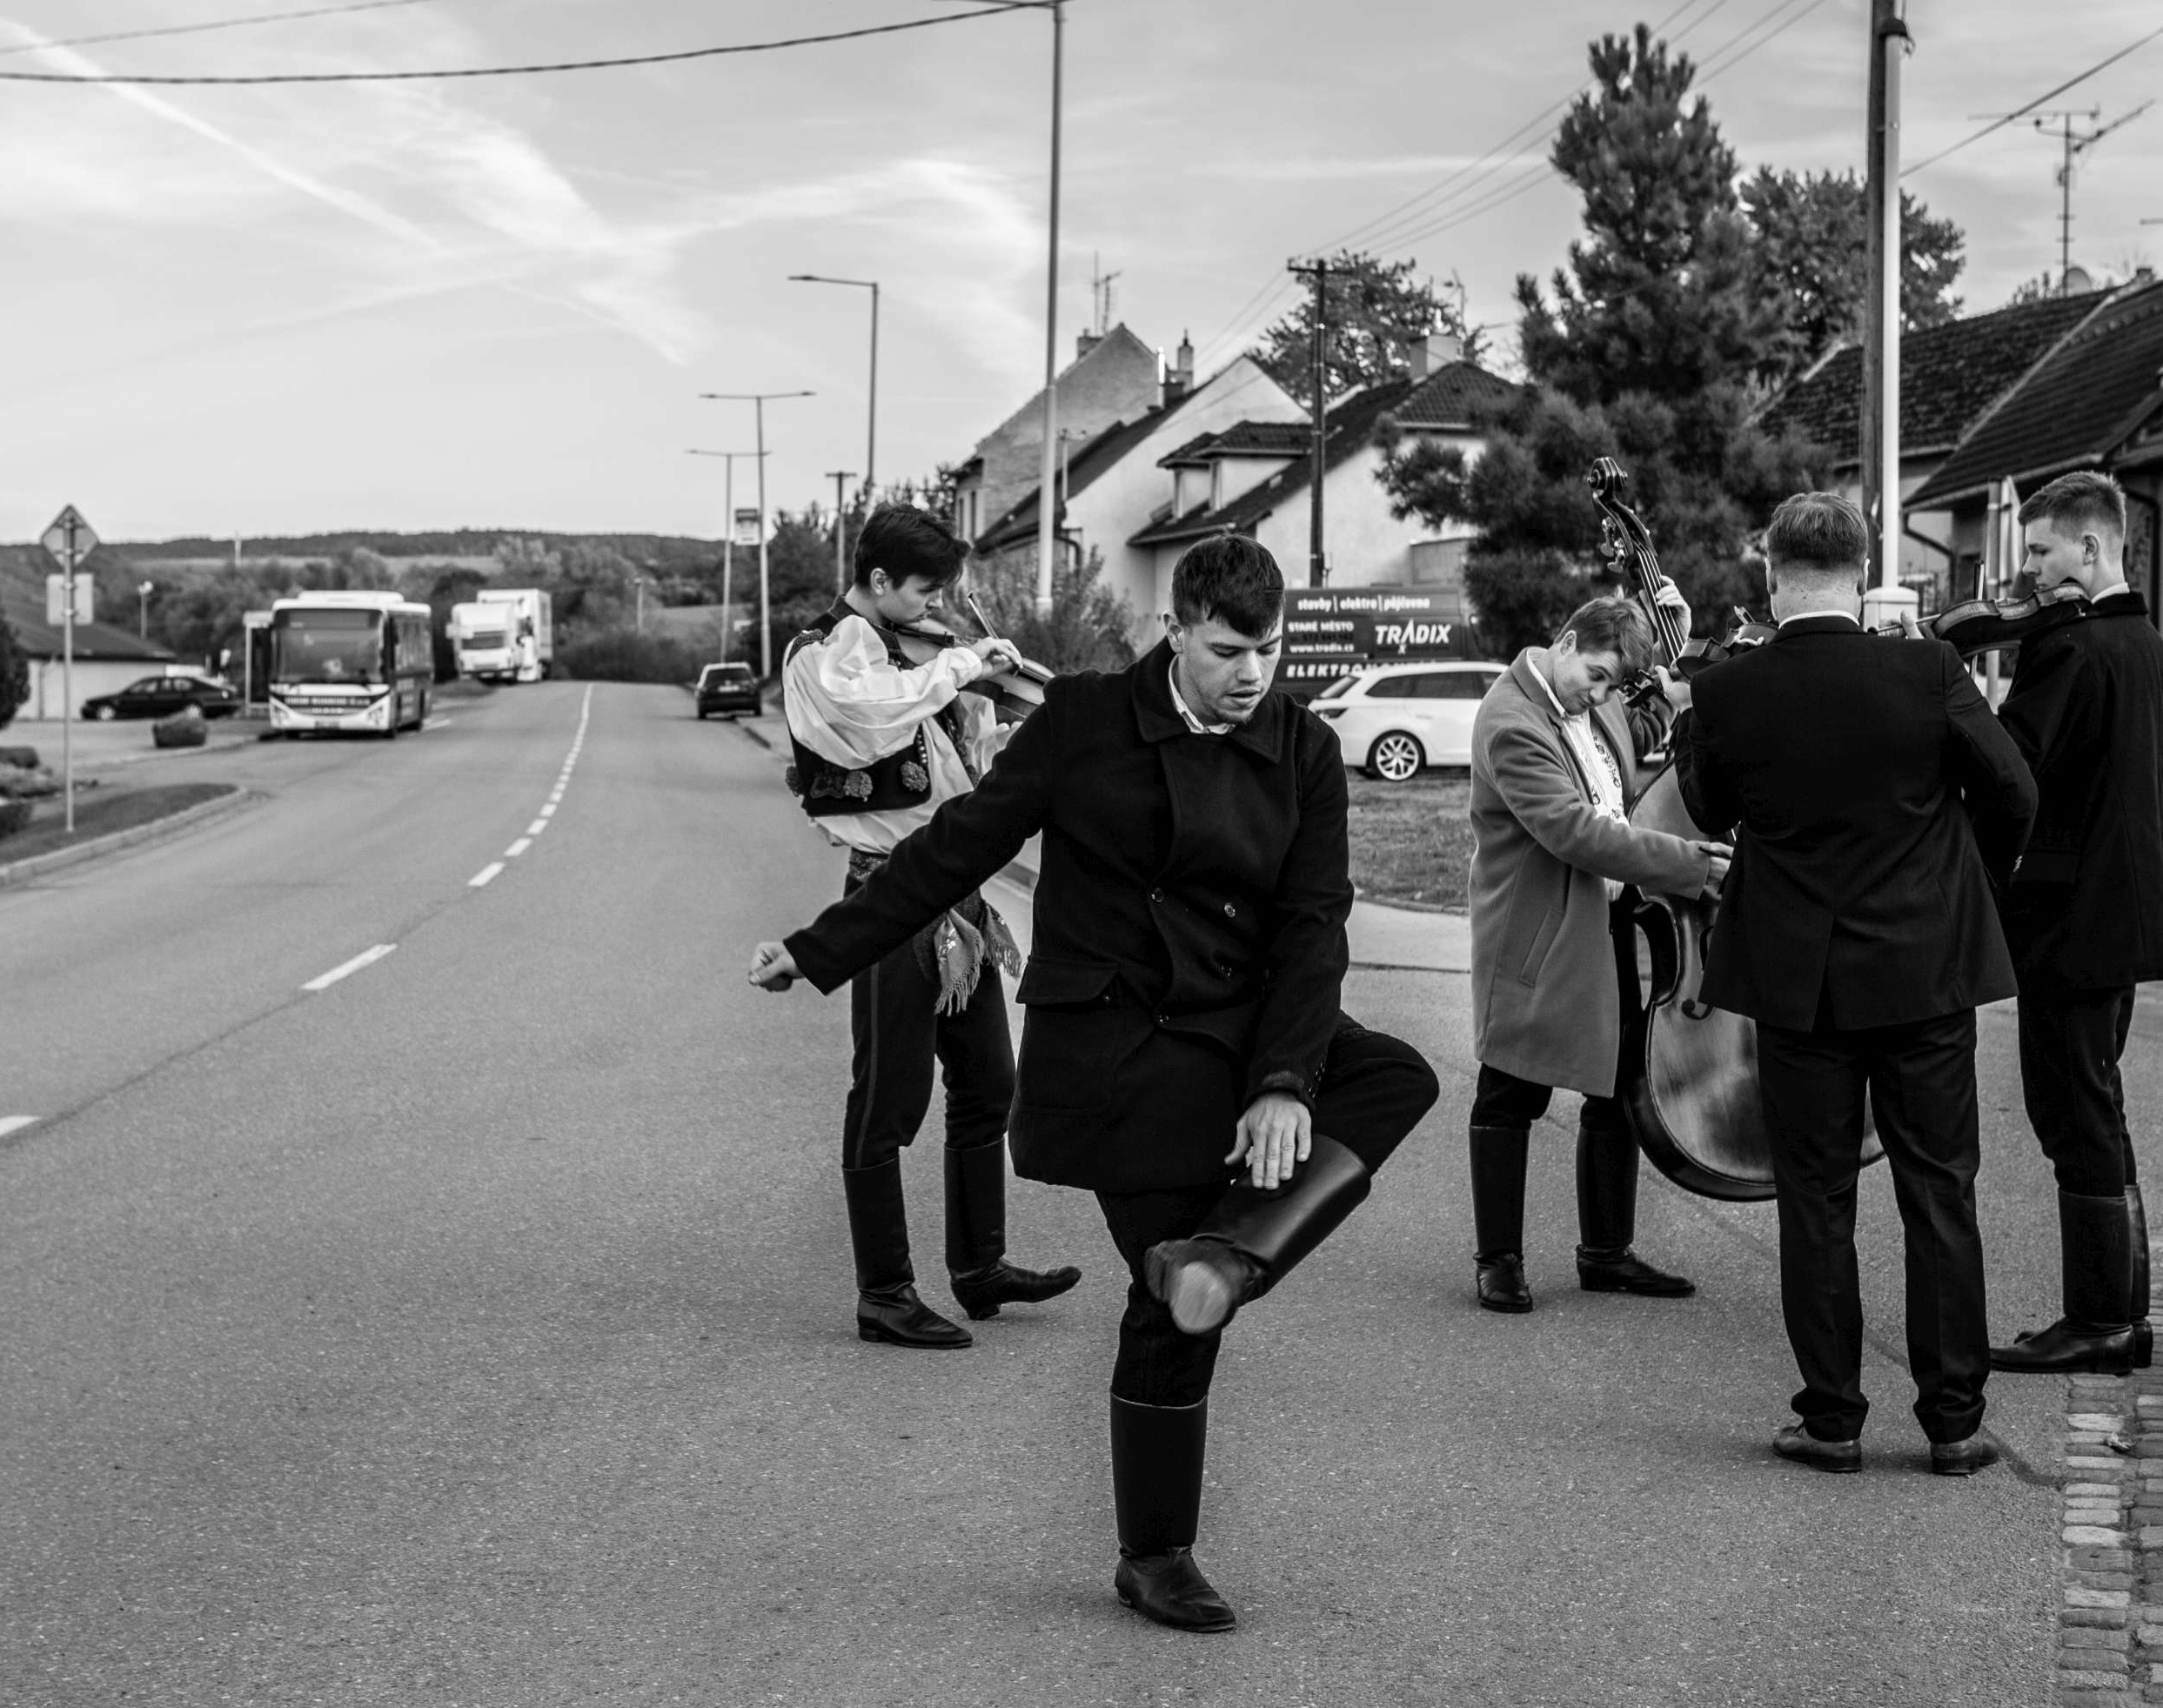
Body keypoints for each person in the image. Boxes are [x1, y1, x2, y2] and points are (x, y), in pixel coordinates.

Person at [750, 533, 1438, 1633]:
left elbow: (1314, 925)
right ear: (1175, 629)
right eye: (1226, 651)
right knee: (1171, 1309)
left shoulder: (1302, 747)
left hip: (1243, 1025)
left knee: (1395, 1074)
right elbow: (958, 846)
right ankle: (1156, 1553)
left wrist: (1285, 1080)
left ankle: (1228, 1254)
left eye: (1267, 650)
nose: (1251, 673)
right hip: (1120, 1046)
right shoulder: (1083, 720)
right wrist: (819, 946)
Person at [1679, 492, 2037, 1477]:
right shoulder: (1928, 669)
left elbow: (1707, 808)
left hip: (1800, 985)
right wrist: (1965, 880)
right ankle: (1954, 1423)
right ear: (1863, 570)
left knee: (1815, 1202)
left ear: (1771, 573)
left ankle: (1833, 1420)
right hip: (1925, 971)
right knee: (1940, 1195)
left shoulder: (1729, 690)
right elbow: (2014, 788)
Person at [777, 501, 1081, 1351]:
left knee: (988, 1083)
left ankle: (979, 1268)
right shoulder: (825, 652)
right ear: (878, 580)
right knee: (888, 1099)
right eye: (923, 591)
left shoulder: (914, 652)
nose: (935, 606)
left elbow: (955, 756)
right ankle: (884, 1293)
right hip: (889, 895)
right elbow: (868, 715)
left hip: (957, 893)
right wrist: (959, 665)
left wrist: (1011, 714)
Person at [1465, 594, 1731, 1313]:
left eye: (1613, 682)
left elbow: (1633, 729)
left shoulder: (1594, 698)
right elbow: (1574, 831)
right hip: (1536, 933)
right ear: (1566, 641)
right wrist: (1691, 863)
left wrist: (1673, 671)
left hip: (1603, 920)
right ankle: (1498, 1261)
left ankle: (1606, 1254)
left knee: (1616, 1085)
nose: (1603, 692)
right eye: (1598, 676)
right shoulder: (1511, 723)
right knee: (1510, 1092)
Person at [1986, 471, 2163, 1375]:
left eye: (2042, 550)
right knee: (2097, 1103)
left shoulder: (2071, 648)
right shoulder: (2145, 641)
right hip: (2122, 916)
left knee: (2074, 1113)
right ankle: (2122, 1315)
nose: (2029, 571)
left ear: (2090, 547)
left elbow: (2007, 766)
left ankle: (2100, 1320)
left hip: (2068, 919)